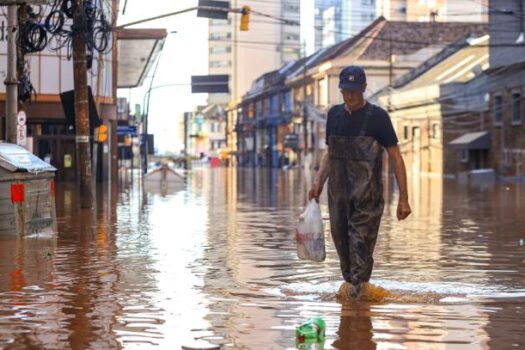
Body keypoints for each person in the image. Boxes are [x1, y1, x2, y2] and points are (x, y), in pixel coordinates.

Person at [308, 65, 411, 297]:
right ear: (340, 90)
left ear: (364, 88)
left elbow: (396, 157)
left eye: (355, 90)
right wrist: (318, 183)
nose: (351, 96)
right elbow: (330, 153)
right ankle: (353, 313)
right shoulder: (334, 115)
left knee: (360, 251)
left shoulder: (378, 118)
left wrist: (403, 199)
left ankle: (359, 316)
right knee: (344, 254)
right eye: (346, 91)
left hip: (368, 200)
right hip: (338, 199)